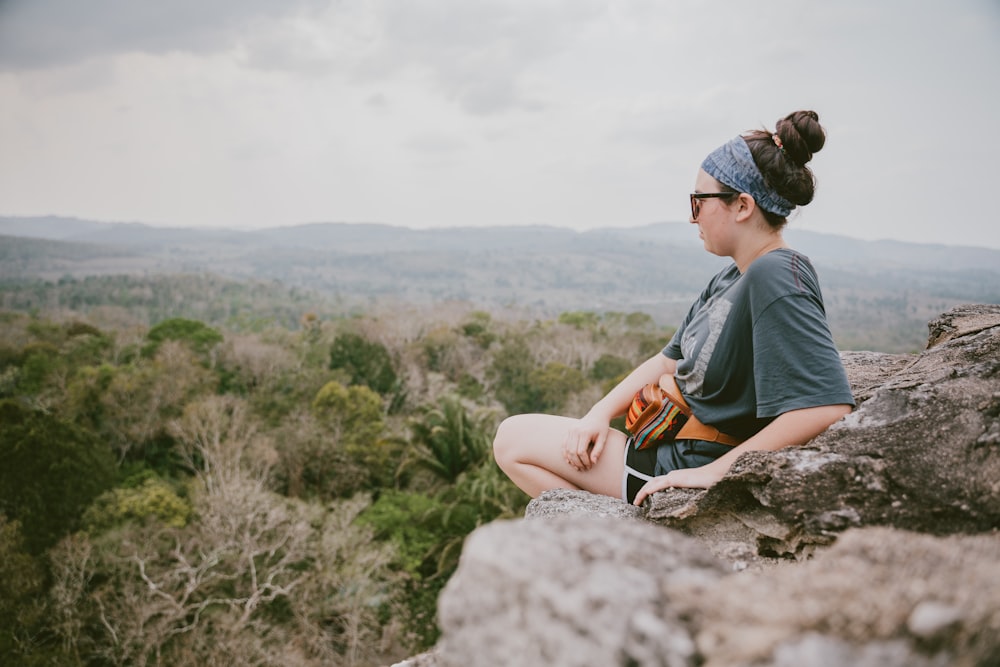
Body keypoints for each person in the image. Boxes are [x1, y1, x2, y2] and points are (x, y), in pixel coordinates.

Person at [493, 110, 855, 507]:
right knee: (516, 438)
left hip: (680, 463)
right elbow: (669, 361)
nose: (691, 215)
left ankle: (620, 536)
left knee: (512, 440)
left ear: (742, 206)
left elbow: (824, 406)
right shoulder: (733, 276)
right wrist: (596, 415)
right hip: (660, 445)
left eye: (699, 201)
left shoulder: (777, 272)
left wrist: (713, 473)